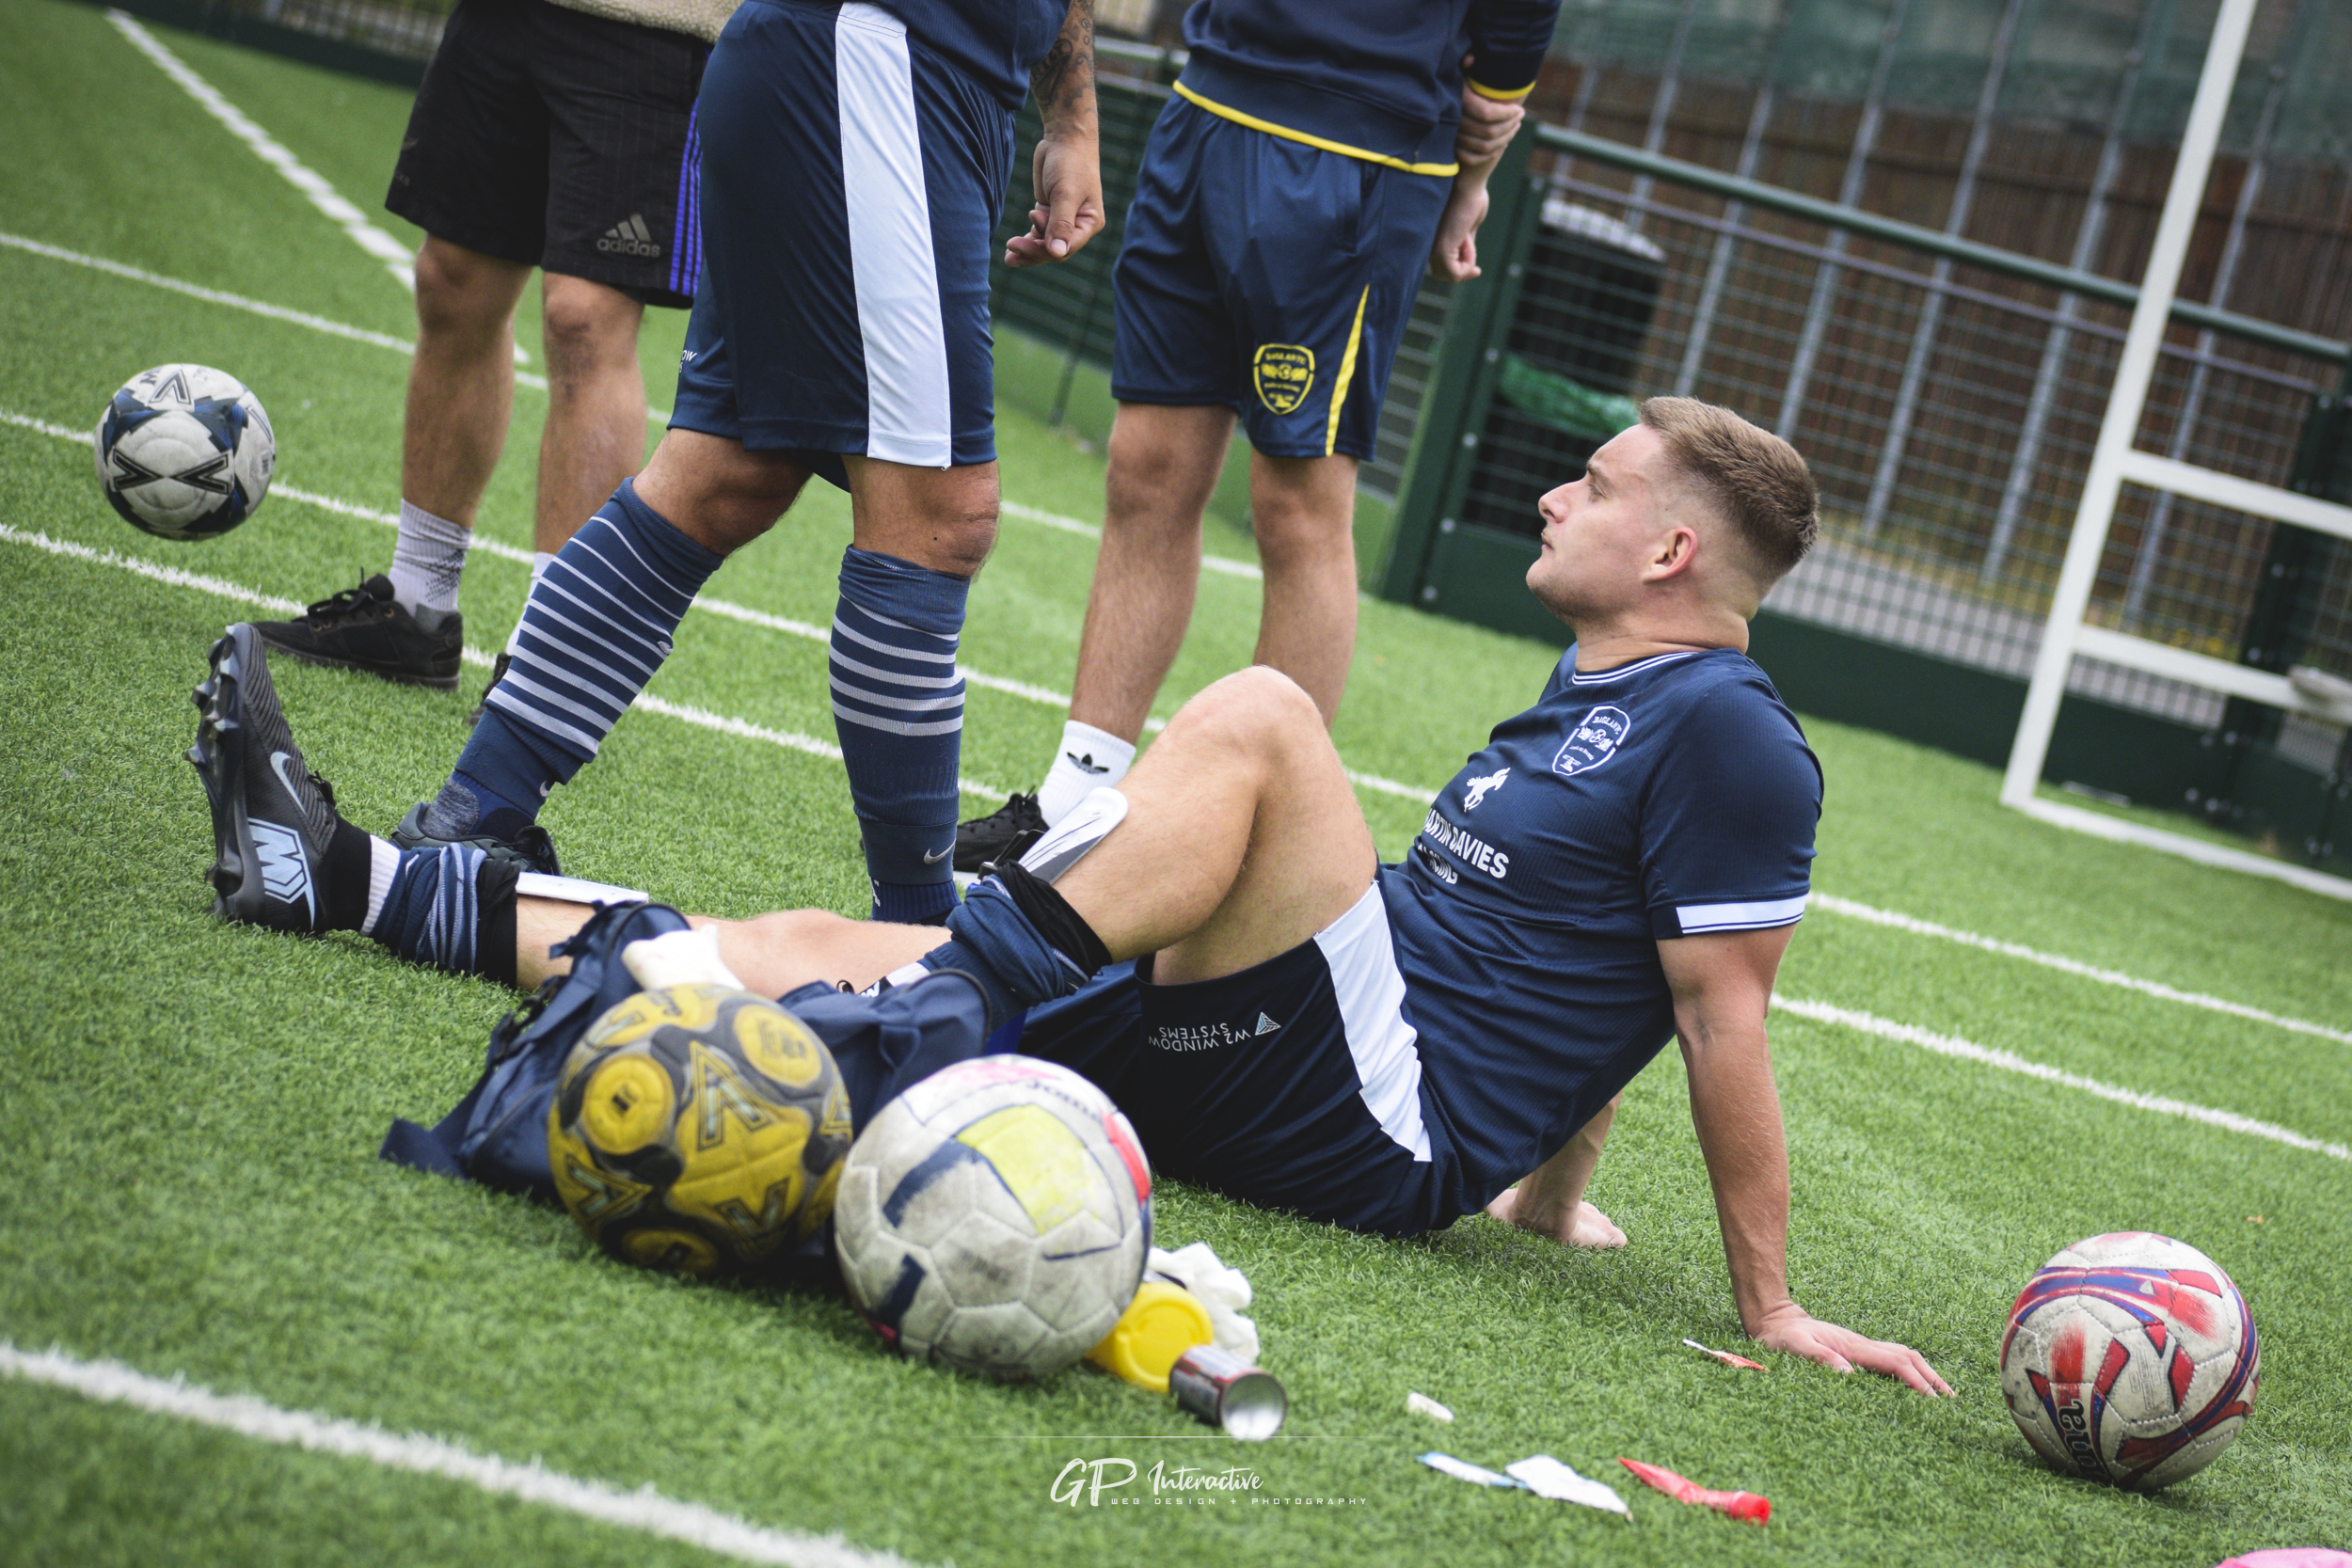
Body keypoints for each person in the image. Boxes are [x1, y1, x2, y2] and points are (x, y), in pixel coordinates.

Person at [187, 399, 1950, 1393]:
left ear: (1669, 552)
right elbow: (1610, 979)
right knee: (809, 950)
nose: (1559, 490)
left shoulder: (1733, 734)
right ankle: (339, 877)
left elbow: (1719, 1007)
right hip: (1312, 1031)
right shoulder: (1599, 691)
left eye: (1601, 483)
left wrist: (1772, 1307)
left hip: (1368, 1116)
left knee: (1260, 715)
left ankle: (969, 987)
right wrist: (1559, 1203)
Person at [341, 0, 1105, 927]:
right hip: (877, 58)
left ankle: (476, 809)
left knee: (727, 473)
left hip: (898, 73)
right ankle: (922, 939)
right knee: (941, 519)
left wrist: (1070, 117)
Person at [954, 0, 1560, 868]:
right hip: (1205, 105)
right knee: (1145, 469)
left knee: (1298, 505)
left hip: (1361, 144)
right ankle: (1073, 807)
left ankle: (1248, 852)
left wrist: (1472, 169)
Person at [253, 0, 739, 698]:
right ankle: (416, 608)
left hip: (656, 27)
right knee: (451, 281)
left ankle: (552, 650)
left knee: (584, 320)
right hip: (503, 16)